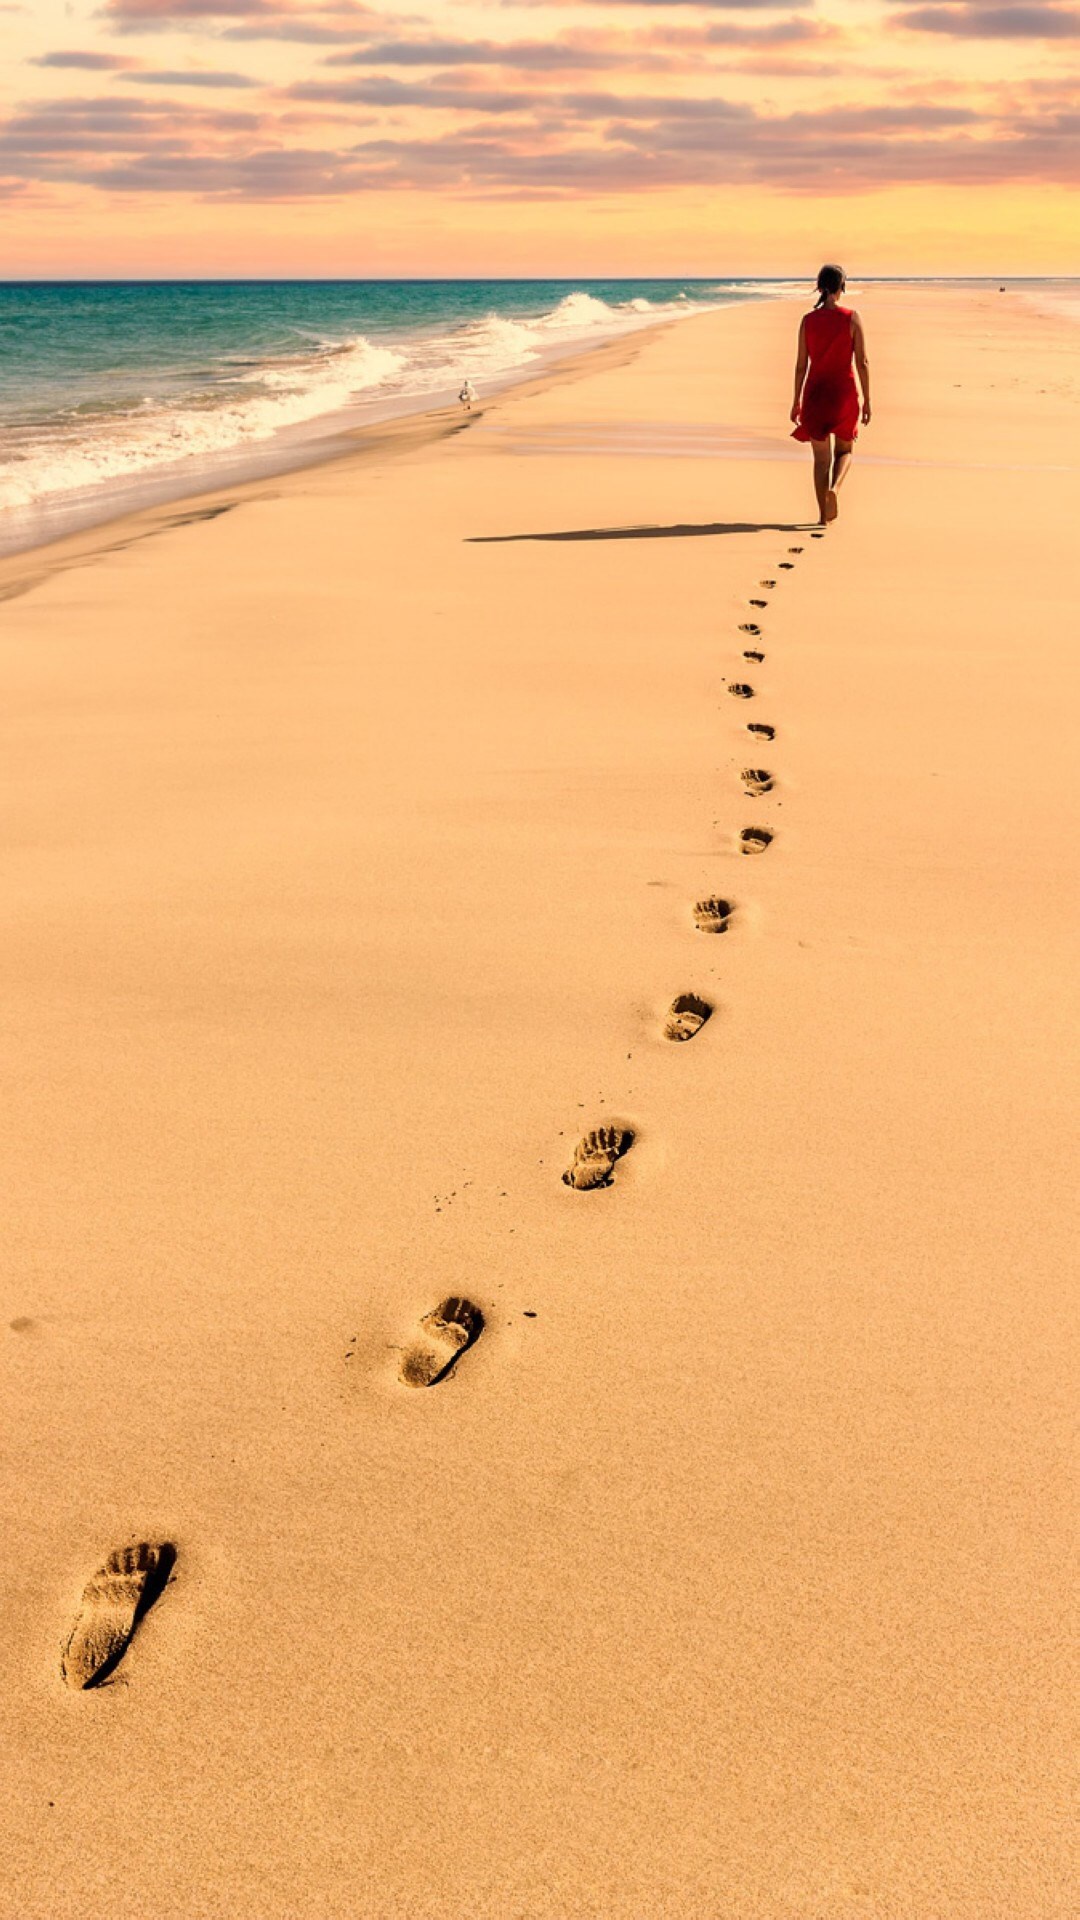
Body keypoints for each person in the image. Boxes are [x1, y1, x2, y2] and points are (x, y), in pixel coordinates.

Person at [790, 265, 871, 525]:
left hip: (815, 392)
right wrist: (868, 399)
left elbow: (801, 365)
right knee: (845, 449)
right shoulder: (852, 318)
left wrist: (796, 401)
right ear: (842, 286)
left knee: (820, 459)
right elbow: (863, 363)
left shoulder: (808, 321)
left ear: (819, 285)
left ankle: (823, 517)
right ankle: (835, 489)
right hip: (843, 392)